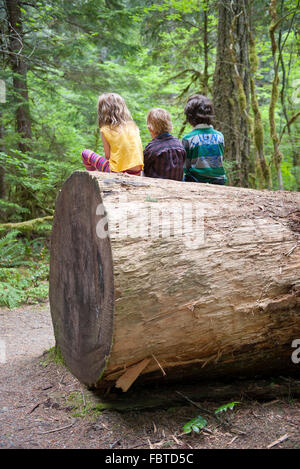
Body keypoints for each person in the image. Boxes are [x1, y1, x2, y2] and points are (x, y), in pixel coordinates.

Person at [81, 92, 144, 175]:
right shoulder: (133, 126)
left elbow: (108, 156)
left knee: (85, 153)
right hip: (137, 171)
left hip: (117, 171)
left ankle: (93, 175)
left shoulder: (105, 129)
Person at [182, 94, 227, 185]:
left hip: (196, 180)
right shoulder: (220, 136)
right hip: (219, 180)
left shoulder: (188, 138)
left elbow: (186, 167)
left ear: (189, 117)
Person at [143, 108, 186, 181]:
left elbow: (143, 167)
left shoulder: (152, 148)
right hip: (177, 185)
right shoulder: (179, 145)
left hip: (156, 187)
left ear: (150, 128)